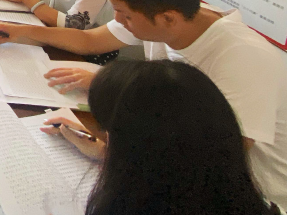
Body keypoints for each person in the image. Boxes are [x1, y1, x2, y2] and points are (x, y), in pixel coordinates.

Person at [0, 0, 287, 208]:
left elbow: (214, 156)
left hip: (247, 196)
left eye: (124, 15)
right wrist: (21, 31)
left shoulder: (245, 59)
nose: (118, 21)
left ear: (168, 18)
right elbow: (89, 41)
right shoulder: (166, 17)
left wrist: (109, 151)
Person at [43, 61, 282, 215]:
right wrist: (104, 151)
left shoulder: (135, 204)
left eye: (110, 132)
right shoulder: (236, 195)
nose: (105, 138)